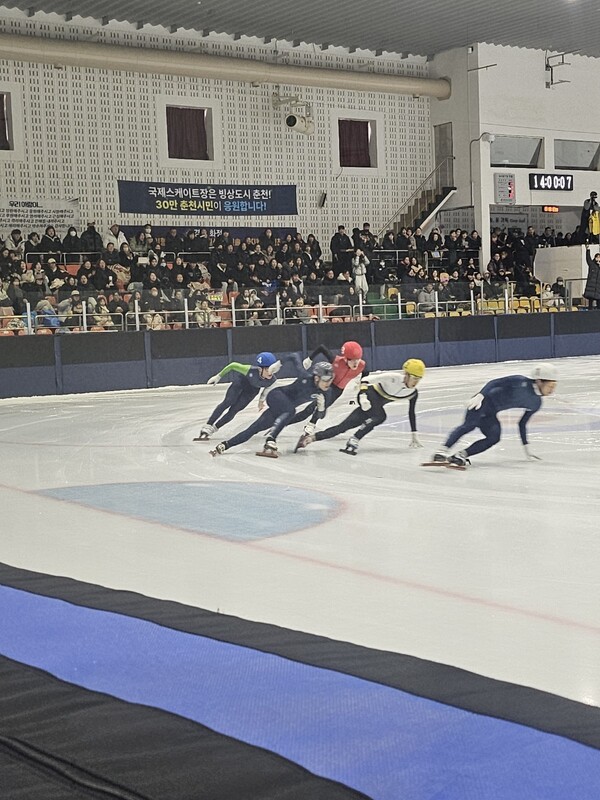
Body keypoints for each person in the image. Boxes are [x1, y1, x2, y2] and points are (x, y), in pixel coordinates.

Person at [429, 364, 558, 469]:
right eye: (550, 386)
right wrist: (481, 395)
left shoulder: (536, 403)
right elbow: (495, 382)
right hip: (481, 402)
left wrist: (526, 446)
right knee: (469, 425)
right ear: (539, 381)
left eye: (554, 386)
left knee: (494, 437)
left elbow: (522, 423)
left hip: (491, 413)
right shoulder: (519, 381)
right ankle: (441, 451)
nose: (552, 390)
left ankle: (461, 455)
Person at [295, 358, 425, 456]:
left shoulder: (413, 393)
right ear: (406, 374)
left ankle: (309, 439)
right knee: (381, 416)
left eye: (418, 379)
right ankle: (355, 439)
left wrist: (414, 434)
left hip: (374, 405)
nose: (415, 382)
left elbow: (411, 413)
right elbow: (365, 380)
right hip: (368, 395)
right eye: (413, 378)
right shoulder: (393, 378)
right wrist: (363, 397)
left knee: (342, 427)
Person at [210, 360, 334, 458]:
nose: (328, 383)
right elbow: (293, 357)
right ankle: (271, 439)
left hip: (281, 409)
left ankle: (224, 445)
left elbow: (321, 416)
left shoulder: (326, 393)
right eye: (326, 380)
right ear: (317, 378)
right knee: (291, 411)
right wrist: (279, 363)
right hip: (277, 396)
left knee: (253, 429)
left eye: (331, 379)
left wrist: (321, 407)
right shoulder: (306, 379)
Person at [194, 351, 281, 441]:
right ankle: (208, 425)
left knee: (234, 410)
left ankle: (213, 429)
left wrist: (261, 401)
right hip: (240, 383)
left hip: (252, 391)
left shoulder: (272, 380)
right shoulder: (249, 369)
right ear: (260, 369)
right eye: (268, 370)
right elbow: (233, 365)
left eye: (273, 370)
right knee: (228, 402)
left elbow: (266, 389)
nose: (271, 373)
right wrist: (218, 376)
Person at [584, 244, 600, 309]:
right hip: (591, 287)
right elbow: (588, 258)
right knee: (590, 302)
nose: (598, 259)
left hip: (598, 287)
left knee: (598, 302)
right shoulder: (592, 264)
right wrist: (587, 250)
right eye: (597, 257)